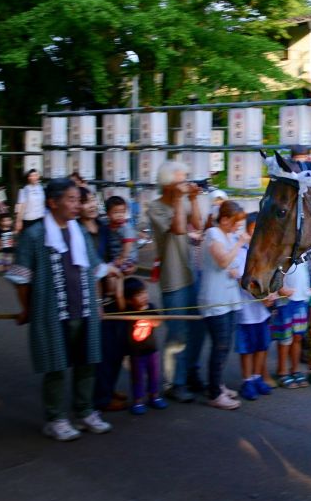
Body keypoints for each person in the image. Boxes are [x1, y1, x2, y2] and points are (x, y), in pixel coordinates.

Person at [10, 178, 117, 441]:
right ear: (52, 202)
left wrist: (98, 304)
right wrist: (27, 309)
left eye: (77, 200)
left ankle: (85, 412)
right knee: (55, 366)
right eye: (70, 199)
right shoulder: (34, 235)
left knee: (87, 363)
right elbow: (22, 279)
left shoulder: (78, 231)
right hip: (50, 312)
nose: (76, 205)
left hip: (84, 309)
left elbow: (93, 271)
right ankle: (55, 418)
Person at [146, 161, 205, 403]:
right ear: (168, 183)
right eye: (181, 179)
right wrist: (182, 200)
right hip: (173, 278)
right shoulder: (155, 208)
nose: (185, 183)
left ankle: (190, 372)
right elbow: (180, 229)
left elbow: (198, 225)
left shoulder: (181, 201)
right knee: (178, 333)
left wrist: (192, 199)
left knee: (198, 329)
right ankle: (174, 382)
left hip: (191, 273)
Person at [79, 188, 128, 413]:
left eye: (92, 200)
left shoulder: (103, 228)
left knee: (116, 346)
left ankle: (108, 388)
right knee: (99, 350)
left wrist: (121, 267)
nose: (90, 205)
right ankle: (99, 397)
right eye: (85, 201)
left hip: (109, 293)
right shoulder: (77, 231)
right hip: (90, 298)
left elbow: (113, 256)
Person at [200, 200, 248, 410]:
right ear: (225, 219)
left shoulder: (229, 235)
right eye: (237, 222)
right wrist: (239, 243)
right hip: (215, 299)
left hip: (230, 299)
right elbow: (222, 262)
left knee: (225, 345)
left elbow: (234, 267)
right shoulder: (213, 233)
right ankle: (214, 394)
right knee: (219, 346)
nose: (239, 226)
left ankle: (217, 385)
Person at [233, 213, 275, 400]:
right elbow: (244, 280)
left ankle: (258, 377)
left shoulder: (266, 253)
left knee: (262, 346)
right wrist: (261, 297)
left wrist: (271, 293)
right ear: (247, 230)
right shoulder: (242, 253)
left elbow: (272, 278)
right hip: (246, 312)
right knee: (247, 348)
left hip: (262, 312)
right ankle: (247, 380)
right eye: (254, 229)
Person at [123, 278, 168, 415]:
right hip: (136, 353)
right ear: (129, 300)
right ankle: (138, 400)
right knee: (138, 377)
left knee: (154, 374)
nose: (144, 296)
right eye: (138, 295)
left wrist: (150, 316)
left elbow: (157, 323)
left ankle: (154, 396)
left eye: (144, 293)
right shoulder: (128, 311)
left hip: (152, 350)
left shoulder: (151, 307)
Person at [270, 260, 311, 389]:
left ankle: (295, 369)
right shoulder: (285, 252)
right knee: (285, 339)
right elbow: (275, 271)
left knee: (298, 338)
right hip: (285, 302)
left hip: (301, 301)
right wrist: (280, 289)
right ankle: (282, 372)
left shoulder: (304, 254)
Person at [104, 195, 138, 308]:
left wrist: (122, 258)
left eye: (122, 212)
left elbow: (127, 245)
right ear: (108, 214)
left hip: (126, 259)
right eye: (116, 212)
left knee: (110, 274)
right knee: (112, 275)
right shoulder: (107, 226)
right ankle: (114, 295)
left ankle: (111, 296)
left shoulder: (125, 227)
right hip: (117, 259)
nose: (120, 215)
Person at [15, 169, 45, 233]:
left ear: (38, 176)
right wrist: (18, 221)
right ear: (29, 178)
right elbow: (20, 205)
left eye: (36, 175)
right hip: (28, 220)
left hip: (40, 219)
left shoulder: (41, 188)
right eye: (32, 175)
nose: (34, 177)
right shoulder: (25, 189)